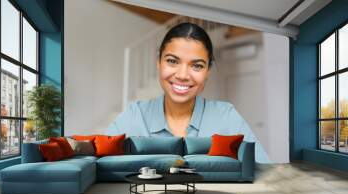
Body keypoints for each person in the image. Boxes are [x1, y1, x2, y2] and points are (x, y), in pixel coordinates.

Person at [106, 22, 270, 163]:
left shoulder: (226, 116)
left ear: (208, 71)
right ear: (158, 62)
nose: (183, 75)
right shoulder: (135, 115)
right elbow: (100, 164)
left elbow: (265, 171)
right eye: (172, 61)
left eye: (197, 65)